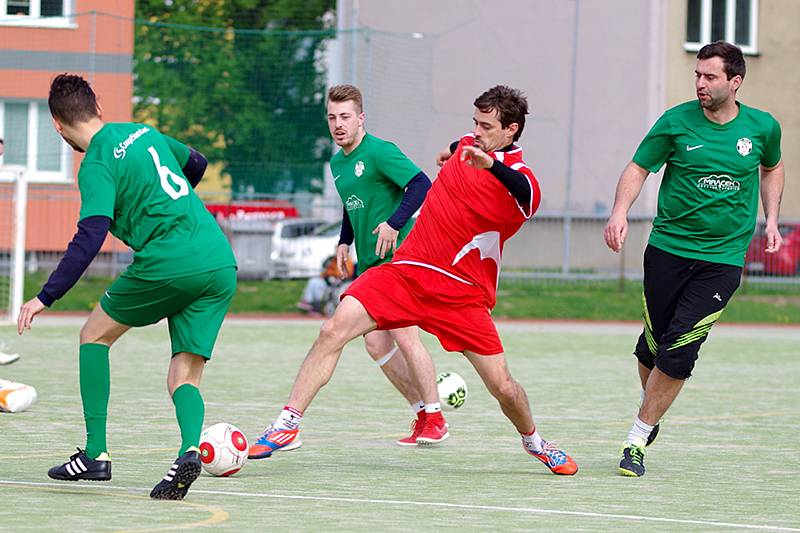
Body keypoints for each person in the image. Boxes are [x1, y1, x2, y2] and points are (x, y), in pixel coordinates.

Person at [251, 85, 578, 475]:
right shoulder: (466, 148)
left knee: (503, 386)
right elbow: (462, 146)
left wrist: (489, 164)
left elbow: (524, 190)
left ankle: (535, 442)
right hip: (408, 271)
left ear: (511, 130)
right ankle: (288, 424)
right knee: (333, 329)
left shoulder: (520, 180)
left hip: (462, 295)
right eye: (473, 123)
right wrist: (456, 147)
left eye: (486, 126)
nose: (476, 132)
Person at [16, 74, 238, 499]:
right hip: (217, 258)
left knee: (93, 335)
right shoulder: (142, 131)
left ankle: (96, 454)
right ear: (98, 107)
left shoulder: (97, 162)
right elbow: (197, 163)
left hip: (168, 261)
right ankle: (189, 450)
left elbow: (91, 235)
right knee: (183, 375)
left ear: (57, 126)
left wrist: (46, 295)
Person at [604, 41, 784, 477]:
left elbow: (773, 168)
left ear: (734, 82)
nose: (700, 83)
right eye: (697, 76)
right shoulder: (675, 122)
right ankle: (652, 410)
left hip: (721, 260)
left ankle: (636, 439)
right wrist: (619, 211)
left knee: (681, 349)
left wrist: (772, 219)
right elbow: (638, 167)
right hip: (667, 250)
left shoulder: (762, 127)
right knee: (653, 347)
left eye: (710, 77)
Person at [249, 84, 448, 458]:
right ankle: (425, 414)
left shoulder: (379, 152)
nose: (338, 125)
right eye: (332, 118)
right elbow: (351, 204)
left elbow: (421, 184)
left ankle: (433, 417)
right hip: (373, 266)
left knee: (386, 335)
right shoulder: (338, 163)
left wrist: (393, 223)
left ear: (361, 119)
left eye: (345, 117)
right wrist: (344, 240)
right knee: (376, 343)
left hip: (400, 262)